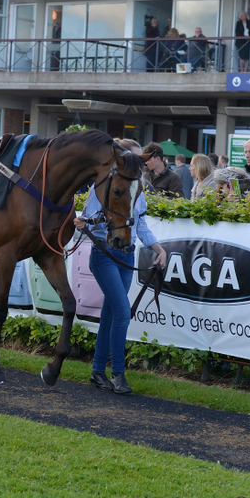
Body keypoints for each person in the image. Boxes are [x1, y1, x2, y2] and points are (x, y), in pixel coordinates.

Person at [73, 149, 167, 395]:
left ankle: (96, 372)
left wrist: (159, 249)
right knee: (123, 312)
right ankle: (118, 374)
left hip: (127, 254)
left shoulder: (138, 193)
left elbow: (142, 227)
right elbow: (89, 219)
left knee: (111, 315)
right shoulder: (100, 189)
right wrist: (84, 222)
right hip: (104, 256)